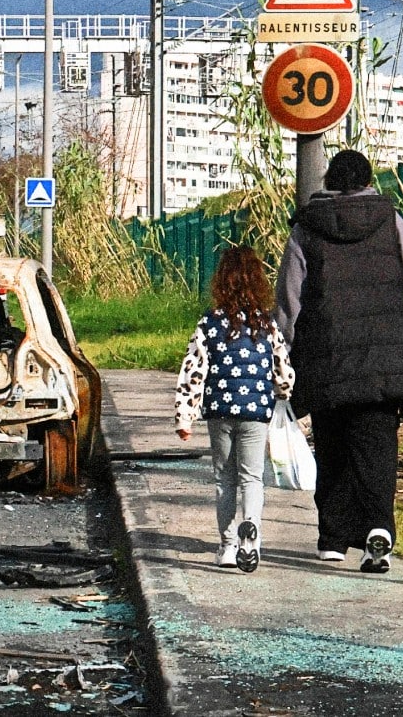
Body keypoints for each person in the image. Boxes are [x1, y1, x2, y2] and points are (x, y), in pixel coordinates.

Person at [276, 149, 403, 574]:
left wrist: (283, 348)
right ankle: (379, 528)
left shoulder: (307, 228)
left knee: (332, 445)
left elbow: (290, 300)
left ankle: (333, 539)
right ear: (366, 180)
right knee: (377, 446)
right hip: (384, 354)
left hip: (326, 357)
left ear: (329, 180)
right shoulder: (389, 218)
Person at [174, 244, 295, 572]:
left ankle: (227, 547)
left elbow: (193, 371)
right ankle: (251, 531)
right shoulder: (266, 325)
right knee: (252, 477)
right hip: (256, 410)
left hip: (220, 410)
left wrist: (185, 417)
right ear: (258, 281)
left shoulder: (209, 323)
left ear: (221, 282)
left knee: (223, 479)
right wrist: (282, 394)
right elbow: (282, 371)